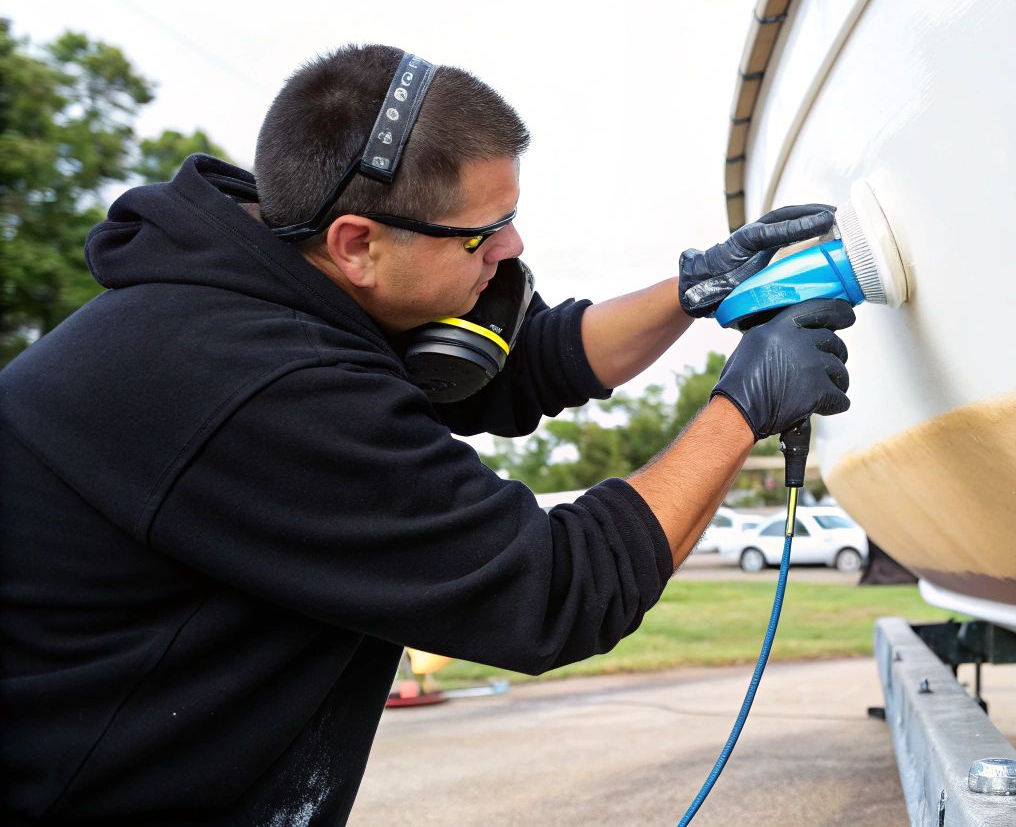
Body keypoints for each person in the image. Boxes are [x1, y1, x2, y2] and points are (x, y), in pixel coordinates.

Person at [0, 44, 855, 825]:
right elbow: (552, 592)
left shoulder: (274, 281)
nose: (512, 247)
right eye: (482, 235)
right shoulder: (257, 383)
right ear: (358, 244)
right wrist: (741, 408)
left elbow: (525, 363)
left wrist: (694, 288)